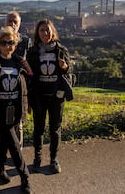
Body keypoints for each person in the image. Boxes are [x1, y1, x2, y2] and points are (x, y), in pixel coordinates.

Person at [0, 26, 32, 193]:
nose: (8, 46)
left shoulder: (18, 61)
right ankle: (25, 176)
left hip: (15, 110)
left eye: (11, 42)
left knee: (6, 142)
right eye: (4, 43)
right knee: (14, 144)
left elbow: (29, 79)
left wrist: (27, 104)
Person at [27, 19, 73, 174]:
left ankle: (54, 160)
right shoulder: (33, 52)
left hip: (56, 96)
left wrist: (64, 66)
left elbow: (69, 70)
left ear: (53, 31)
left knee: (55, 129)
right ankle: (37, 159)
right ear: (37, 33)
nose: (45, 33)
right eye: (42, 31)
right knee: (38, 129)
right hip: (39, 97)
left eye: (48, 30)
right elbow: (29, 75)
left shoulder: (61, 50)